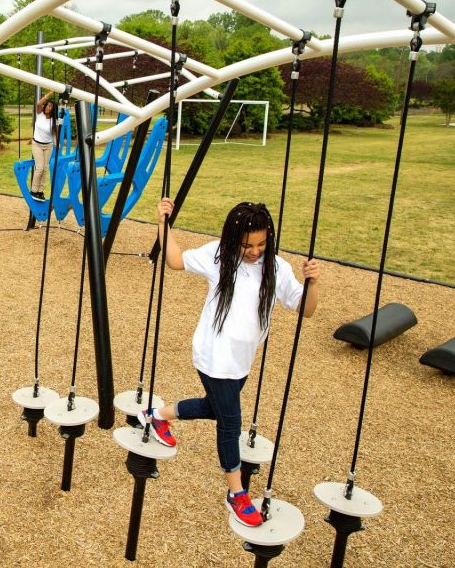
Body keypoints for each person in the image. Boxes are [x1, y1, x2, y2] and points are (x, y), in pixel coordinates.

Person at [137, 200, 321, 528]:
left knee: (214, 408)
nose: (254, 251)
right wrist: (163, 223)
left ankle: (155, 415)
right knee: (230, 423)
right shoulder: (218, 255)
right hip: (213, 356)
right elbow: (176, 261)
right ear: (233, 237)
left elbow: (305, 309)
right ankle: (236, 493)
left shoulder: (276, 268)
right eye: (247, 244)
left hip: (241, 361)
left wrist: (313, 282)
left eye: (262, 243)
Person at [30, 91, 59, 199]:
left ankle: (40, 191)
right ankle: (33, 190)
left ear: (53, 109)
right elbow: (38, 104)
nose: (47, 107)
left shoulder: (53, 120)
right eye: (47, 105)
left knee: (45, 169)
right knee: (40, 168)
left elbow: (54, 134)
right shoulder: (39, 113)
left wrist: (56, 144)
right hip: (37, 144)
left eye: (50, 106)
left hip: (48, 146)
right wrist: (50, 93)